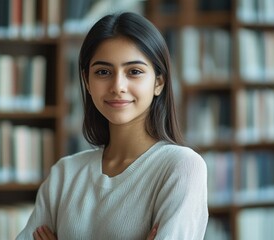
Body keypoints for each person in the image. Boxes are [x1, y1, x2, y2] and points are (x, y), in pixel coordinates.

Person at [16, 12, 208, 240]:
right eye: (103, 72)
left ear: (159, 82)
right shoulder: (65, 174)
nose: (118, 86)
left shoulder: (181, 167)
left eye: (134, 72)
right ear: (87, 81)